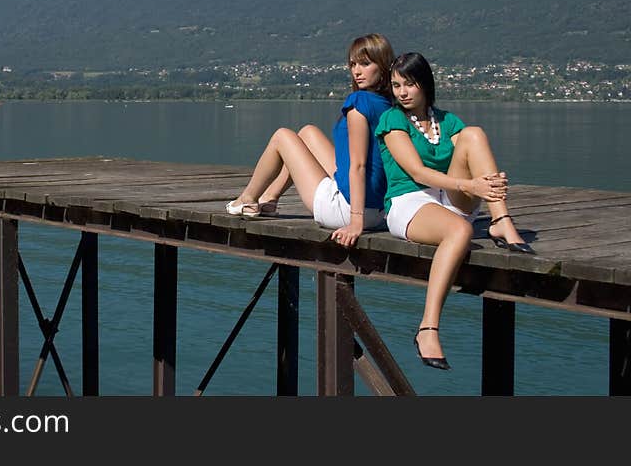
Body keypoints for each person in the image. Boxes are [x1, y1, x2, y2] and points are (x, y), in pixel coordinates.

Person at [375, 52, 534, 371]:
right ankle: (428, 328)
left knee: (474, 134)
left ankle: (501, 220)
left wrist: (489, 182)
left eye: (409, 84)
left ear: (425, 84)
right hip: (409, 202)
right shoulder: (392, 121)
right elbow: (418, 173)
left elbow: (475, 159)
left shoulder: (447, 121)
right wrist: (471, 187)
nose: (402, 92)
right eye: (396, 85)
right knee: (459, 231)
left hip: (448, 198)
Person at [225, 33, 395, 247]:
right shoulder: (390, 106)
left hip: (347, 210)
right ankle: (270, 198)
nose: (357, 71)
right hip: (380, 212)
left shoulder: (359, 102)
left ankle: (247, 199)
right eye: (353, 64)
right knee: (307, 133)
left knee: (282, 137)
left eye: (365, 63)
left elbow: (359, 166)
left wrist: (356, 222)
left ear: (383, 65)